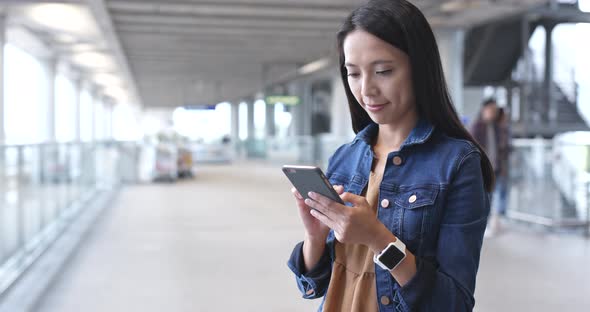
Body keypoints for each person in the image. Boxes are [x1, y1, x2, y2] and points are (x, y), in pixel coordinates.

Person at [286, 1, 494, 311]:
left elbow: (454, 302)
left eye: (383, 71)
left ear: (418, 68)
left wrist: (380, 240)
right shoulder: (345, 157)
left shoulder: (456, 163)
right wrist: (315, 238)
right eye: (353, 74)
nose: (366, 90)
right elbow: (317, 285)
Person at [470, 100, 509, 236]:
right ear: (483, 110)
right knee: (485, 199)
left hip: (496, 168)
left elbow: (503, 148)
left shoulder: (497, 127)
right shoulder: (477, 127)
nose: (493, 113)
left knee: (495, 196)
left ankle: (495, 222)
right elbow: (473, 148)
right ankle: (483, 226)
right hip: (483, 170)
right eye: (490, 110)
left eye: (495, 110)